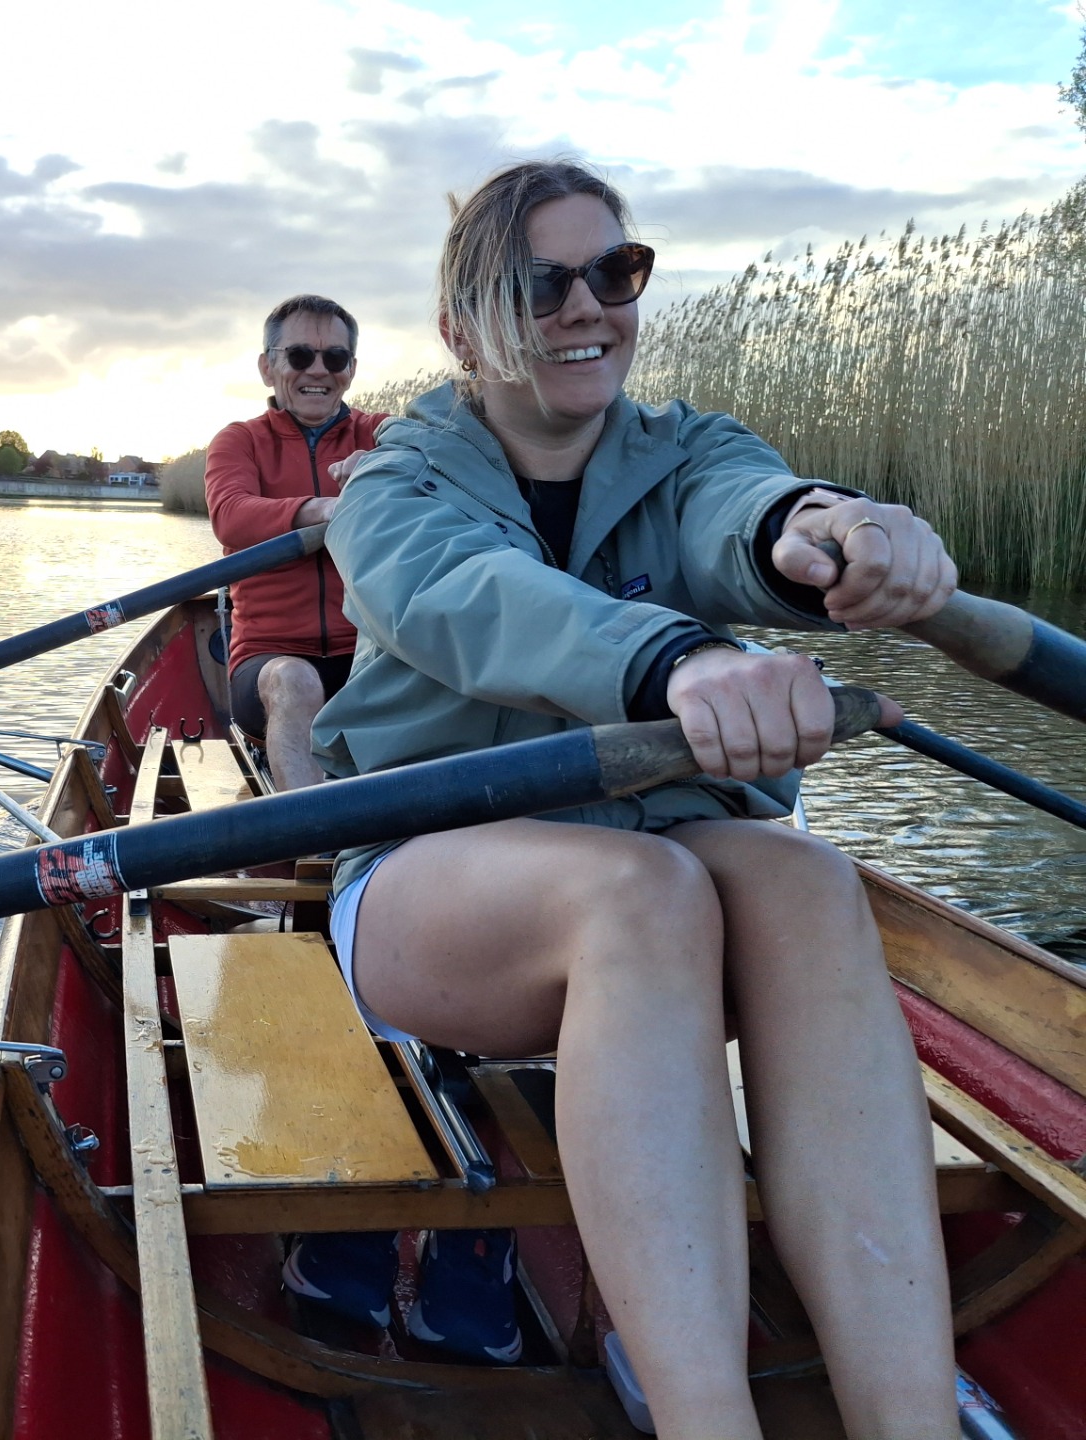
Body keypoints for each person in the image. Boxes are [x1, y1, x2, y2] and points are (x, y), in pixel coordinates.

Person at [312, 159, 960, 1435]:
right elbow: (476, 602)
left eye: (615, 272)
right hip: (431, 883)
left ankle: (912, 1418)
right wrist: (677, 660)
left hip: (660, 858)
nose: (585, 308)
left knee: (809, 878)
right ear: (460, 329)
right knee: (640, 891)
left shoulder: (691, 451)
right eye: (539, 284)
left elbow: (743, 512)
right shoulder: (391, 491)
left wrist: (822, 529)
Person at [205, 296, 389, 789]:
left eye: (335, 359)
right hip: (269, 656)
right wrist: (322, 509)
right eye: (300, 356)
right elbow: (231, 517)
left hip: (372, 648)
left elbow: (443, 467)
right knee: (294, 681)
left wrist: (380, 469)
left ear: (350, 370)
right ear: (268, 368)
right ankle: (316, 849)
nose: (319, 371)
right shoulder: (238, 441)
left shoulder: (381, 435)